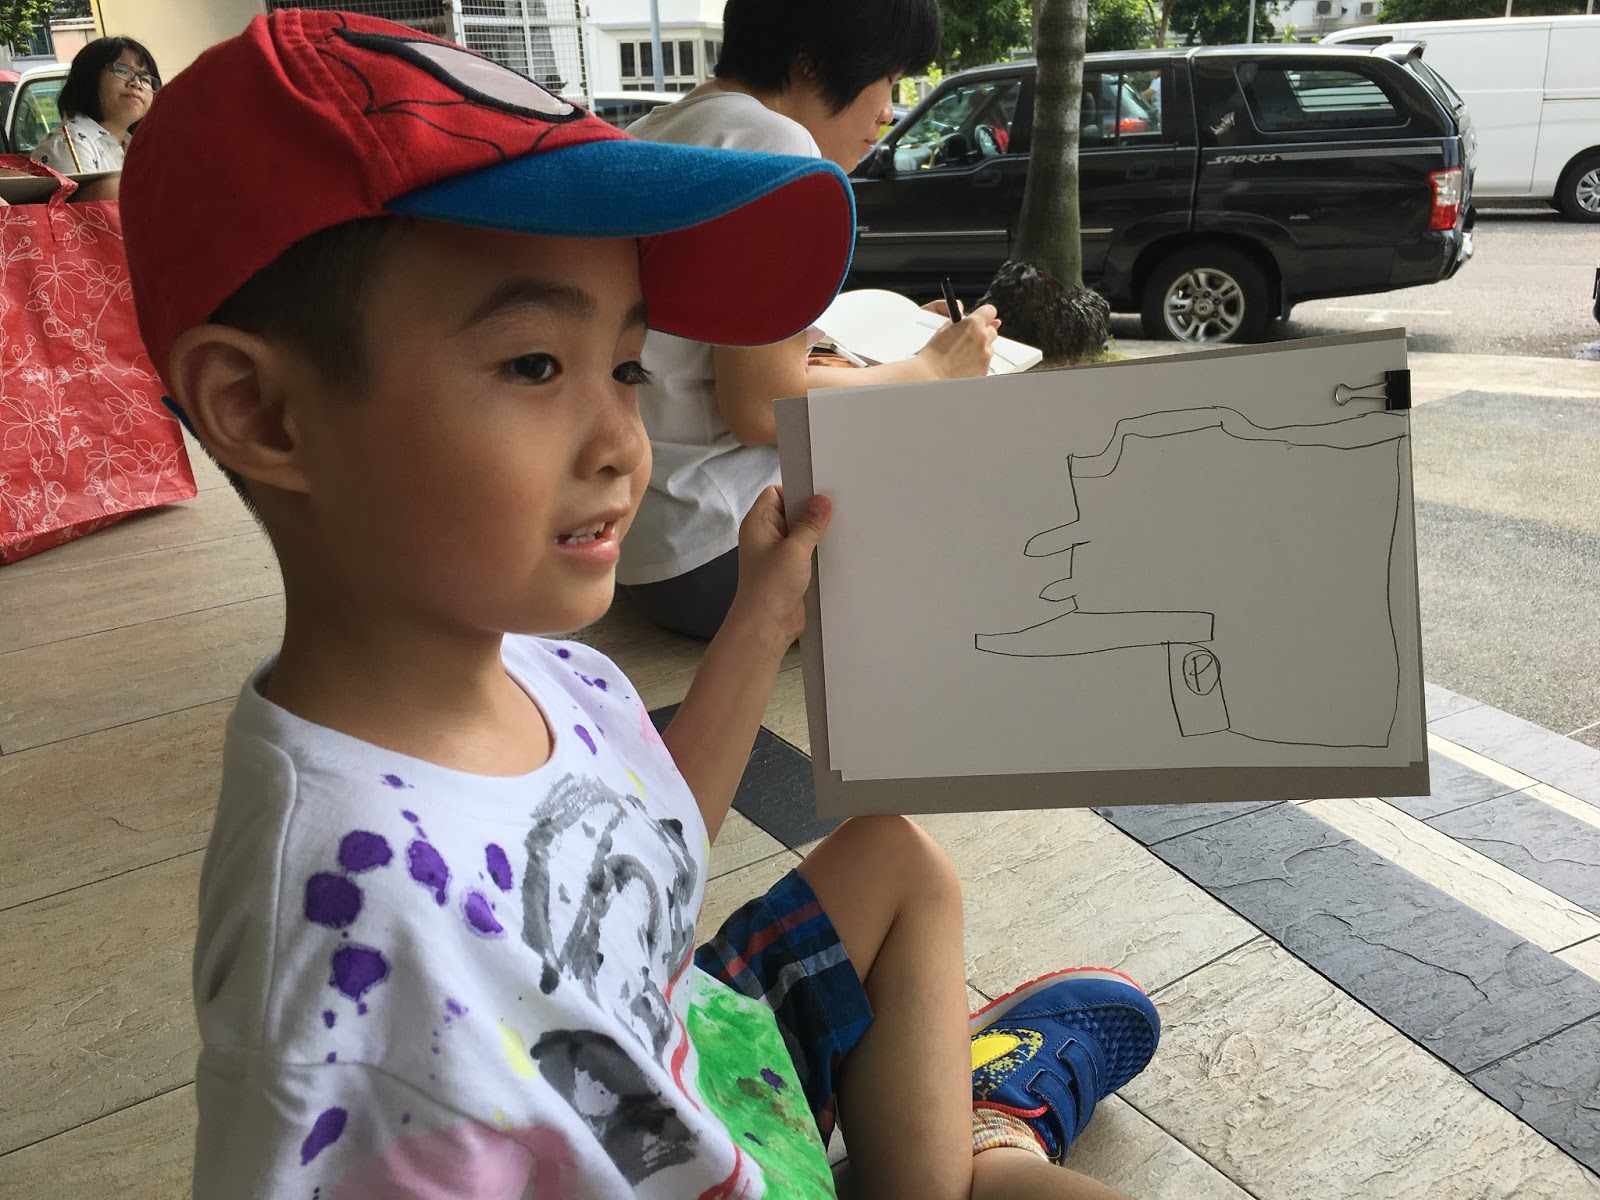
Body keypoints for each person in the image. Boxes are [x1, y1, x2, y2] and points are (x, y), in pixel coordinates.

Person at [121, 12, 1158, 1199]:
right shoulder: (349, 950)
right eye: (533, 365)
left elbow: (643, 839)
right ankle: (981, 1133)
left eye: (624, 365)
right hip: (662, 1147)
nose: (623, 439)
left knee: (897, 857)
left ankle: (945, 1131)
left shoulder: (536, 665)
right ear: (260, 411)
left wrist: (762, 613)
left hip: (681, 1050)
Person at [617, 0, 1004, 640]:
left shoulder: (658, 131)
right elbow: (764, 408)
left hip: (647, 540)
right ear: (814, 63)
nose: (889, 110)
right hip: (725, 548)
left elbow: (700, 357)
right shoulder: (777, 147)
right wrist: (933, 368)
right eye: (886, 77)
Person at [31, 36, 160, 202]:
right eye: (122, 70)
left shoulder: (137, 146)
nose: (136, 83)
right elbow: (90, 214)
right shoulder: (69, 143)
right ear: (88, 77)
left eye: (145, 78)